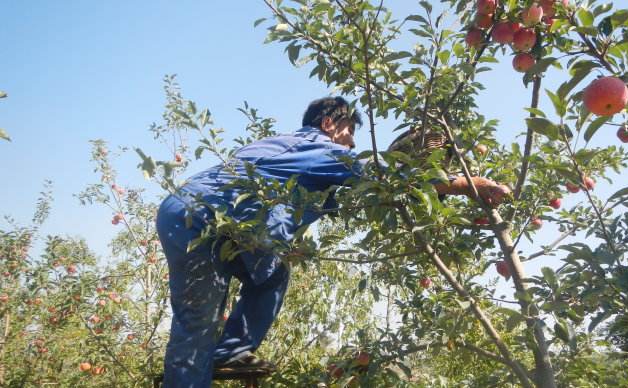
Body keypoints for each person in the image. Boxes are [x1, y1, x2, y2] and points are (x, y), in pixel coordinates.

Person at [155, 96, 505, 387]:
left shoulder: (299, 158)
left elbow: (357, 194)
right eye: (349, 132)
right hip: (198, 218)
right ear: (329, 125)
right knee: (198, 324)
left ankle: (230, 350)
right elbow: (381, 173)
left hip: (226, 226)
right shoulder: (315, 147)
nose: (352, 142)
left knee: (272, 273)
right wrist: (466, 184)